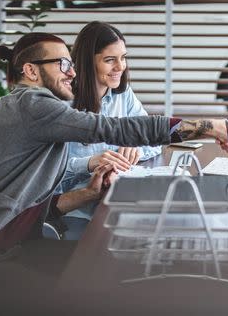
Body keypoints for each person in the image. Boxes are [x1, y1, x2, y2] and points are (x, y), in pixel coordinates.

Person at [0, 32, 228, 276]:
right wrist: (208, 126)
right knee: (113, 273)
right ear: (31, 70)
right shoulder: (30, 106)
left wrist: (86, 194)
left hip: (9, 241)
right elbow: (116, 129)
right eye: (63, 64)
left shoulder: (37, 110)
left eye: (71, 64)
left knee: (121, 263)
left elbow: (28, 206)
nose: (72, 73)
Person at [54, 22, 161, 239]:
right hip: (77, 210)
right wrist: (90, 162)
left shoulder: (123, 95)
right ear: (87, 62)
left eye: (123, 57)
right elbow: (49, 171)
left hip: (115, 200)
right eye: (110, 60)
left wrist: (136, 149)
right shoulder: (62, 103)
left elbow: (154, 137)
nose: (120, 67)